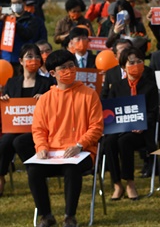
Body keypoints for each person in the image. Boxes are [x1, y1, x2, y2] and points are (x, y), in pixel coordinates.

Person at [27, 49, 103, 227]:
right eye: (63, 68)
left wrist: (80, 145)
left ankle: (70, 216)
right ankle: (46, 216)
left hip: (82, 152)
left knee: (71, 168)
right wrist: (41, 148)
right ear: (53, 73)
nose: (69, 71)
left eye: (71, 66)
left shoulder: (89, 95)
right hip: (52, 155)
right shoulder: (45, 100)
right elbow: (38, 129)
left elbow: (96, 127)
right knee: (33, 171)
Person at [105, 47, 158, 202]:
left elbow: (153, 112)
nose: (136, 65)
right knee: (109, 142)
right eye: (132, 62)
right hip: (119, 128)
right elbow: (110, 111)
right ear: (123, 67)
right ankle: (116, 184)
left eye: (139, 61)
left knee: (124, 141)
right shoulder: (116, 86)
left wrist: (142, 124)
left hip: (142, 132)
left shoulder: (150, 86)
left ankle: (130, 183)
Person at [0, 44, 53, 196]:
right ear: (21, 61)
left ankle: (35, 174)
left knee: (20, 142)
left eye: (37, 57)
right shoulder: (12, 83)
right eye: (29, 57)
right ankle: (1, 176)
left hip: (38, 130)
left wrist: (45, 98)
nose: (34, 60)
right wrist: (5, 100)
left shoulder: (47, 84)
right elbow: (8, 109)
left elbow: (55, 106)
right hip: (16, 127)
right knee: (5, 142)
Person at [0, 0, 42, 73]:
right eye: (13, 3)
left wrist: (15, 24)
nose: (15, 5)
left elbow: (28, 34)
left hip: (21, 59)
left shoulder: (31, 19)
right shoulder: (5, 17)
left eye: (18, 2)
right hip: (6, 58)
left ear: (24, 3)